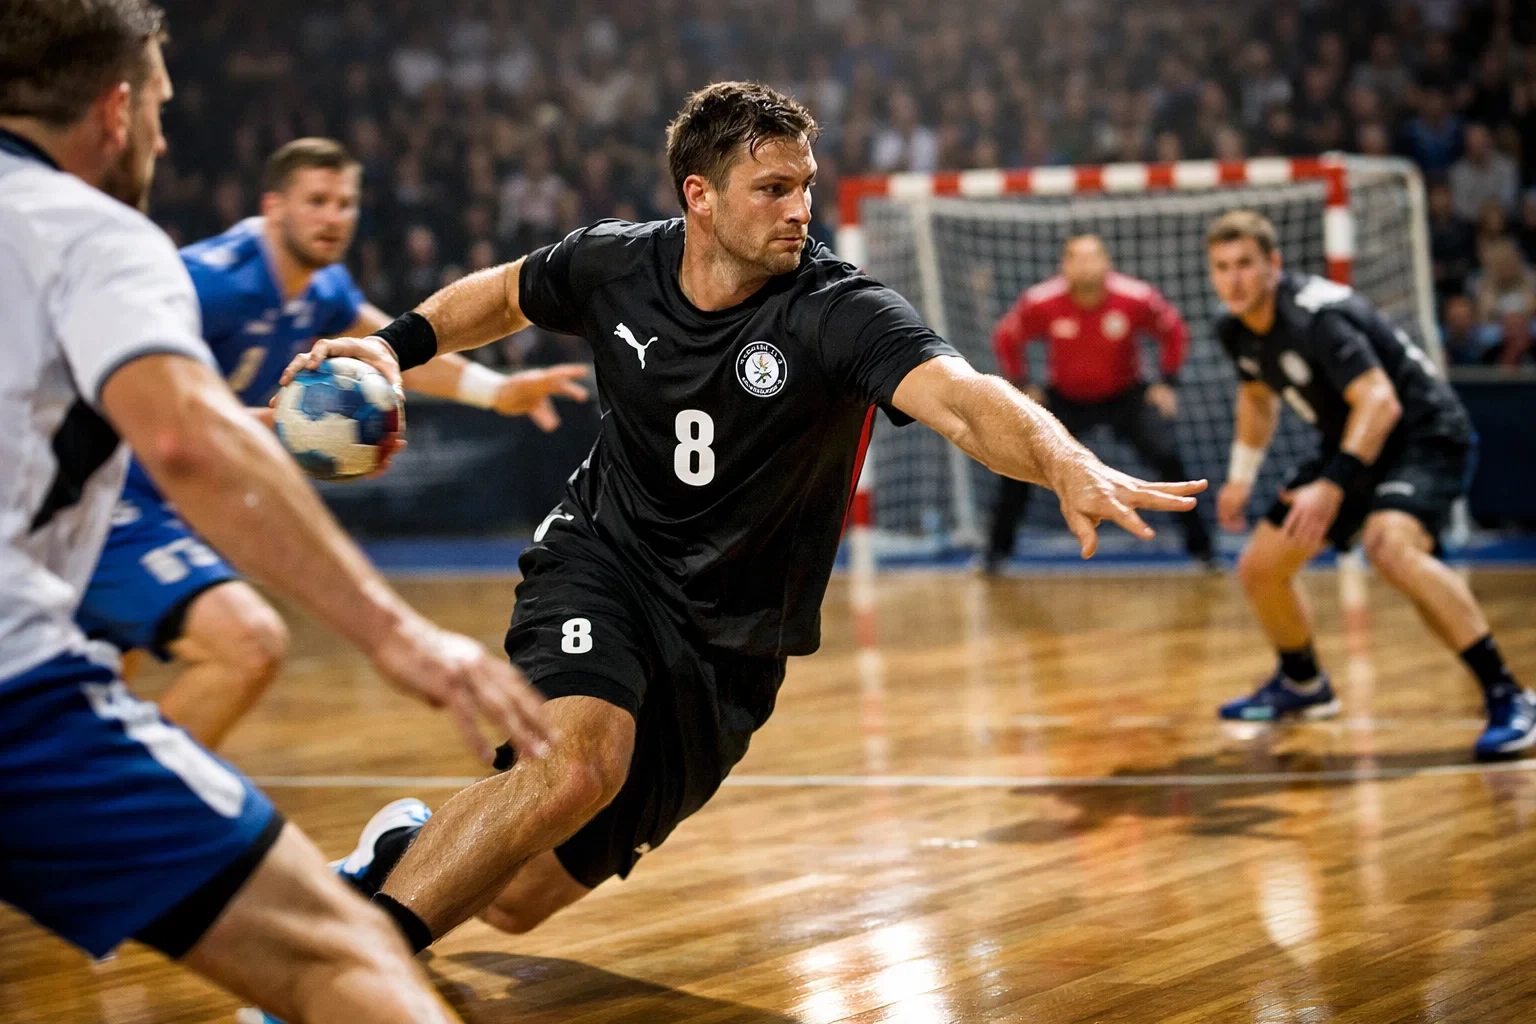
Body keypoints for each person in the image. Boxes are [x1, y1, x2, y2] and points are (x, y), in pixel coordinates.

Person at [269, 81, 1205, 971]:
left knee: (514, 902)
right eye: (774, 188)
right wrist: (389, 348)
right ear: (701, 196)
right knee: (578, 765)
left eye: (805, 186)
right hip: (604, 563)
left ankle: (402, 845)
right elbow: (509, 293)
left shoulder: (838, 311)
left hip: (732, 647)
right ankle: (345, 964)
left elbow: (964, 401)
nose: (802, 207)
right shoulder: (617, 263)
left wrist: (1062, 458)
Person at [0, 2, 551, 1020]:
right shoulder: (123, 245)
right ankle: (121, 836)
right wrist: (403, 640)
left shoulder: (321, 283)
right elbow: (183, 435)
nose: (166, 136)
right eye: (163, 107)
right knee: (350, 956)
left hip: (87, 518)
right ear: (117, 110)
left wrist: (494, 392)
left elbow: (364, 347)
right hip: (63, 610)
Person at [74, 137, 590, 749]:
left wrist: (496, 392)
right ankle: (139, 808)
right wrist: (265, 428)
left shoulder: (320, 288)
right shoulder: (209, 285)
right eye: (316, 201)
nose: (334, 217)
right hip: (109, 492)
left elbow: (390, 350)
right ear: (273, 207)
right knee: (242, 647)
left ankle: (89, 808)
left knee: (104, 683)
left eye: (345, 203)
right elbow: (137, 394)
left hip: (164, 504)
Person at [1206, 210, 1532, 759]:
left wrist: (1331, 486)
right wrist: (1240, 476)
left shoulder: (1316, 318)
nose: (1233, 279)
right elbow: (1258, 399)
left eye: (1245, 264)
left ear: (1274, 266)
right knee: (1261, 567)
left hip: (1422, 435)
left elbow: (1380, 401)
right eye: (1221, 267)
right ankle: (1303, 683)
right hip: (1351, 444)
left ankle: (1508, 694)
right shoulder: (1233, 327)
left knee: (1389, 547)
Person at [985, 235, 1213, 572]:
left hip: (1125, 395)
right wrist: (1023, 385)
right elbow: (1006, 337)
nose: (1086, 265)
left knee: (1167, 456)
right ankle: (995, 555)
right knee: (1019, 463)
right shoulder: (1042, 302)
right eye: (1077, 258)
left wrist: (1167, 383)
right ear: (1065, 265)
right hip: (1065, 399)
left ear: (1106, 262)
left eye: (1093, 257)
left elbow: (1174, 330)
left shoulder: (1135, 298)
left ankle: (1204, 552)